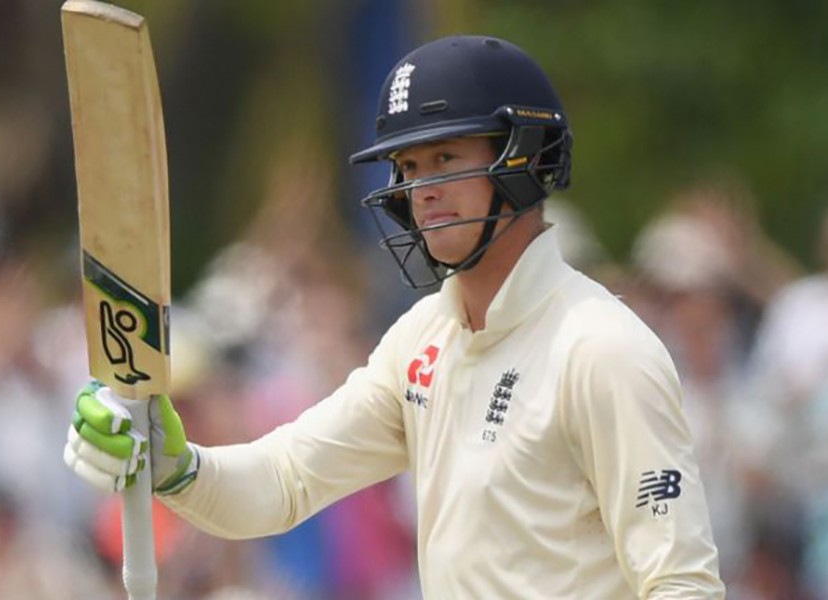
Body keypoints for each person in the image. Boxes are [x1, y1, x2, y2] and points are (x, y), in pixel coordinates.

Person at [64, 35, 725, 598]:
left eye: (445, 158)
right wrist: (177, 468)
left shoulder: (601, 349)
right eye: (408, 167)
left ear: (524, 156)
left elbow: (680, 582)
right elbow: (286, 481)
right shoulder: (422, 341)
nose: (422, 189)